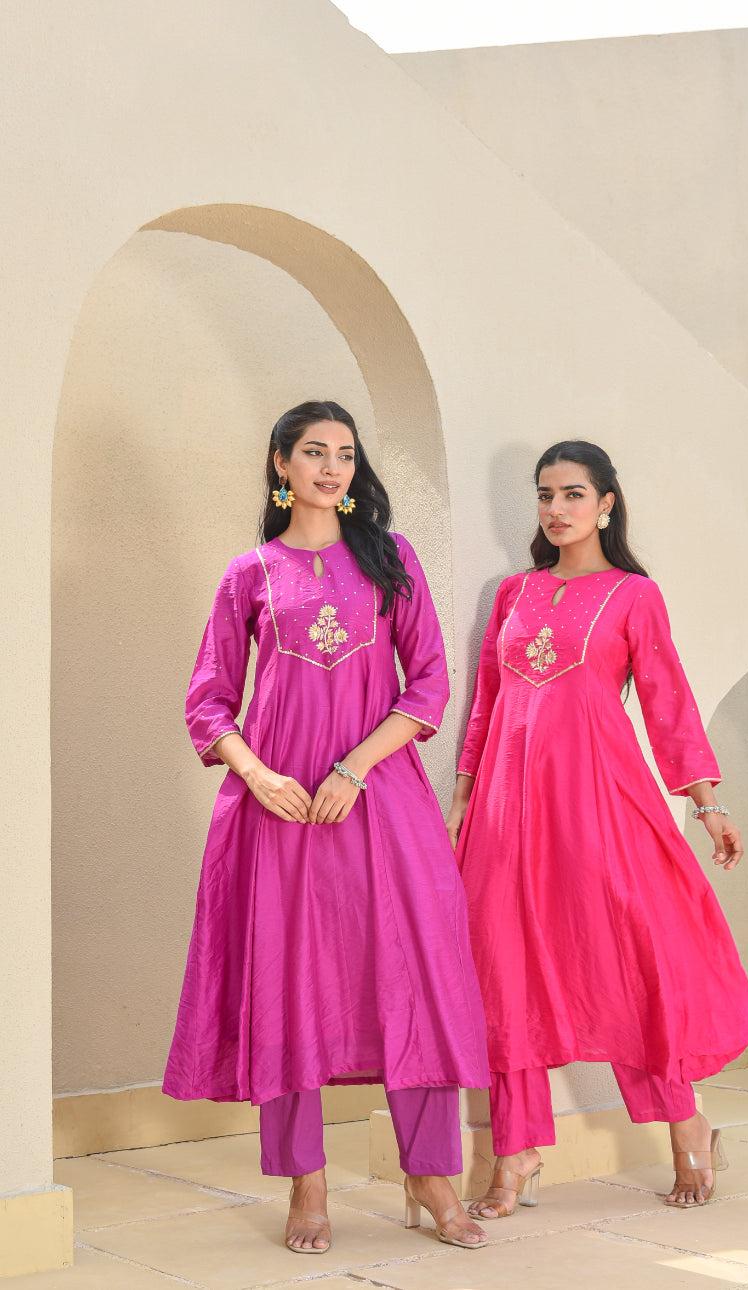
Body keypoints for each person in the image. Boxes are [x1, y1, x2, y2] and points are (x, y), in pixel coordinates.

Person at [164, 401, 489, 1252]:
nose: (332, 468)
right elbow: (207, 702)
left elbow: (426, 684)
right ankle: (306, 1185)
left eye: (345, 454)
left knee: (414, 969)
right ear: (281, 464)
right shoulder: (251, 574)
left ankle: (431, 1174)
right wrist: (258, 772)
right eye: (314, 452)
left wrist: (354, 767)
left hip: (377, 796)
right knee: (286, 980)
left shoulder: (389, 559)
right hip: (279, 811)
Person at [447, 439, 748, 1216]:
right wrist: (460, 795)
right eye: (545, 496)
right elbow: (488, 701)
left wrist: (706, 800)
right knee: (505, 967)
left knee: (631, 958)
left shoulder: (632, 595)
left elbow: (667, 702)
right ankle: (517, 1154)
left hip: (597, 802)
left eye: (573, 495)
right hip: (505, 809)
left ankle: (687, 1126)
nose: (556, 510)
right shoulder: (515, 593)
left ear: (606, 504)